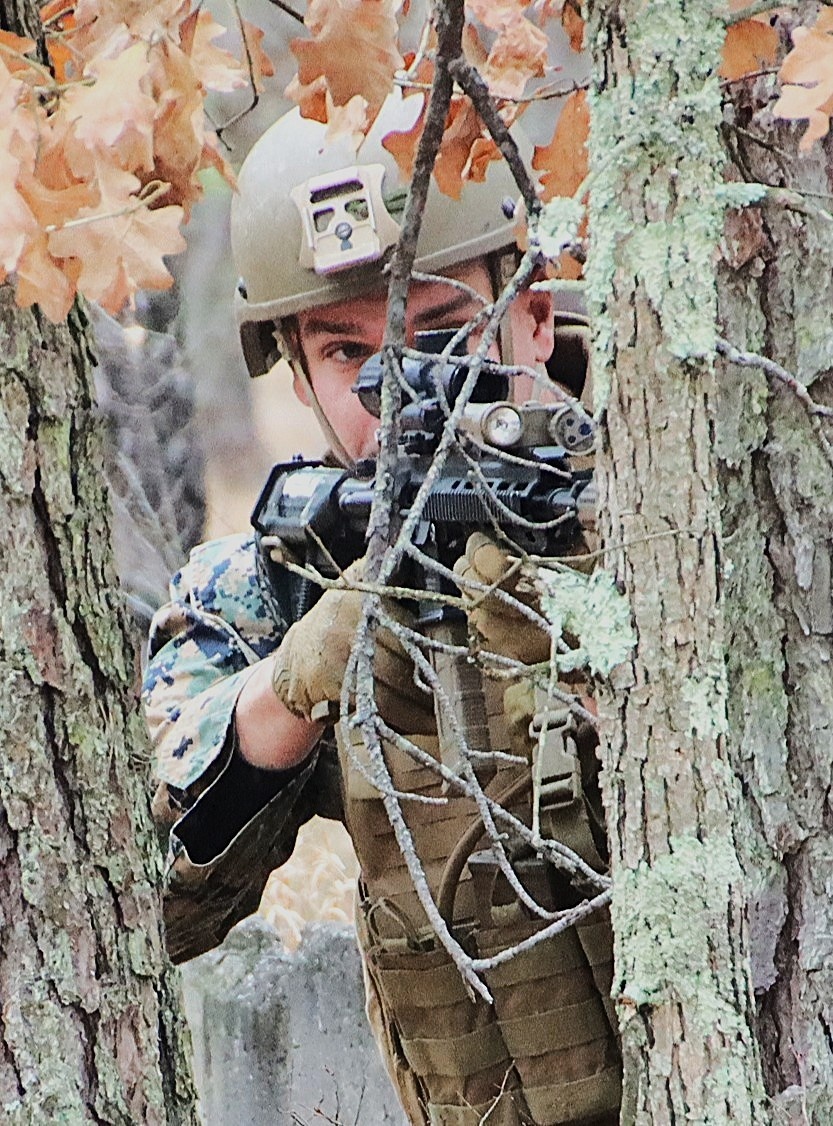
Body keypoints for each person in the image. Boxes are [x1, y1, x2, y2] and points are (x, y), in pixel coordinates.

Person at [143, 92, 621, 1126]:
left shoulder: (659, 495)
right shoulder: (285, 570)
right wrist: (294, 684)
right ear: (300, 373)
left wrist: (580, 649)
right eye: (347, 354)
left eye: (442, 333)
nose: (399, 392)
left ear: (533, 312)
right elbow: (138, 902)